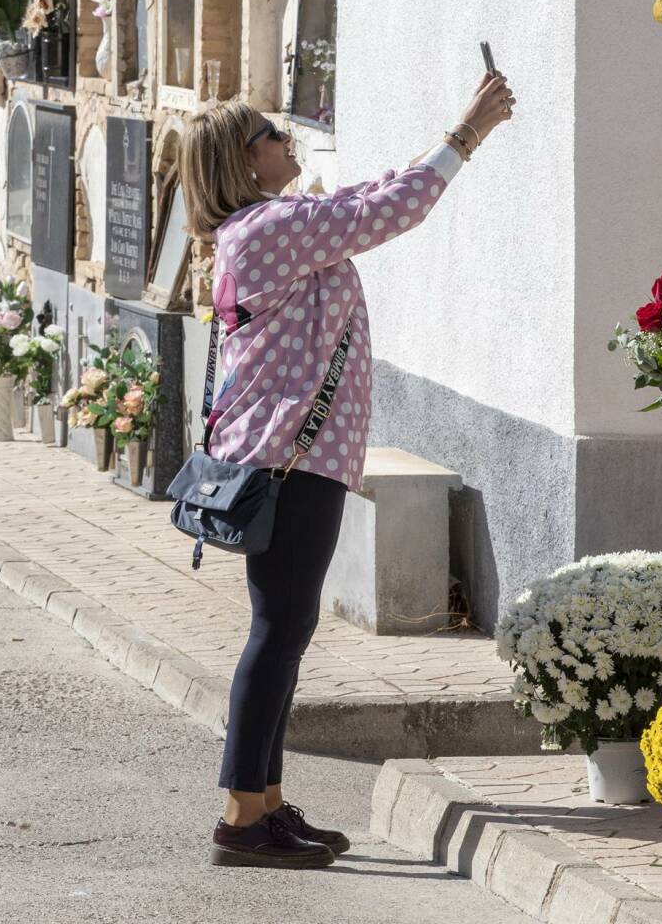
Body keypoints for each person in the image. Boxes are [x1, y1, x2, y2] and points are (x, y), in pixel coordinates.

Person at [177, 70, 516, 870]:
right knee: (278, 629)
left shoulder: (275, 223)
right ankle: (238, 815)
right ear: (241, 160)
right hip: (291, 458)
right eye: (270, 134)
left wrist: (445, 142)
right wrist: (466, 133)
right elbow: (384, 211)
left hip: (299, 454)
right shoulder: (264, 231)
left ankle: (262, 802)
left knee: (287, 629)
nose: (286, 139)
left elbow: (373, 194)